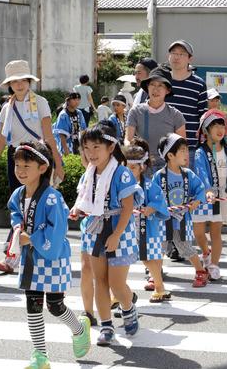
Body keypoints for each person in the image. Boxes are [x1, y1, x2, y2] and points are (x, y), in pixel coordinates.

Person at [8, 141, 91, 366]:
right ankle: (40, 355)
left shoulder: (53, 197)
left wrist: (31, 238)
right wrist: (18, 229)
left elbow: (57, 231)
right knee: (33, 307)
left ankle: (79, 328)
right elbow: (15, 214)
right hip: (30, 258)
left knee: (55, 306)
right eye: (17, 165)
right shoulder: (17, 194)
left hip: (51, 258)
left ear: (42, 168)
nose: (21, 171)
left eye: (27, 166)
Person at [0, 60, 64, 274]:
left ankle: (15, 256)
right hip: (16, 157)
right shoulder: (7, 108)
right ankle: (17, 253)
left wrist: (58, 162)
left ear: (29, 81)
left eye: (22, 80)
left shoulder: (41, 102)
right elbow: (1, 141)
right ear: (9, 85)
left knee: (35, 205)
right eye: (14, 81)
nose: (19, 85)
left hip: (38, 157)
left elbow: (48, 136)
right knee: (20, 206)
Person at [72, 123, 141, 346]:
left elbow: (128, 207)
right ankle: (106, 326)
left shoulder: (121, 173)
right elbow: (83, 199)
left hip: (119, 231)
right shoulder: (88, 174)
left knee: (117, 284)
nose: (91, 153)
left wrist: (117, 234)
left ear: (111, 147)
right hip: (94, 229)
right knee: (99, 280)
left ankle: (128, 307)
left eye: (96, 147)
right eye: (87, 148)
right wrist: (77, 210)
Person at [193, 109, 227, 280]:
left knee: (216, 231)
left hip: (221, 195)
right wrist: (207, 189)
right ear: (205, 130)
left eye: (222, 124)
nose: (219, 129)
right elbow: (201, 172)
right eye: (214, 125)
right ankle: (205, 252)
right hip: (202, 196)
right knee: (198, 231)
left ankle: (213, 264)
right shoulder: (201, 152)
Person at [152, 133, 208, 286]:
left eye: (186, 149)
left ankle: (201, 271)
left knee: (185, 247)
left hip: (182, 217)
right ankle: (155, 275)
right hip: (163, 217)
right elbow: (152, 195)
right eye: (182, 150)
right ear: (170, 155)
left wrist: (197, 200)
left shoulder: (188, 174)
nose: (186, 153)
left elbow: (200, 188)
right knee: (160, 247)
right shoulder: (159, 176)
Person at [124, 139, 171, 302]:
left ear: (142, 167)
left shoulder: (150, 186)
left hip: (147, 229)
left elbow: (159, 201)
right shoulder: (121, 185)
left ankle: (160, 288)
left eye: (133, 168)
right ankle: (119, 293)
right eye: (126, 168)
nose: (129, 172)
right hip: (126, 229)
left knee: (149, 259)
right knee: (121, 261)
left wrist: (152, 207)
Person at [126, 68, 185, 171]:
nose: (155, 89)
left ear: (167, 90)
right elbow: (127, 139)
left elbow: (182, 147)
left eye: (160, 85)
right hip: (143, 166)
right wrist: (132, 151)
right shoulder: (135, 111)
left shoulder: (176, 115)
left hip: (167, 168)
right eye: (152, 84)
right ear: (147, 87)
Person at [164, 40, 207, 169]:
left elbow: (203, 116)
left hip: (188, 147)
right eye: (173, 53)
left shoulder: (198, 84)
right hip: (162, 146)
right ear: (168, 56)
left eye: (182, 54)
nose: (176, 57)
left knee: (188, 185)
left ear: (190, 59)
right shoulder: (161, 82)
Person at [53, 92, 87, 156]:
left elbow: (83, 130)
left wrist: (84, 146)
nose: (77, 101)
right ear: (68, 101)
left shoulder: (79, 113)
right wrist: (66, 151)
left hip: (78, 143)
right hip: (67, 145)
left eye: (78, 99)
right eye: (74, 99)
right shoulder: (63, 115)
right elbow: (62, 135)